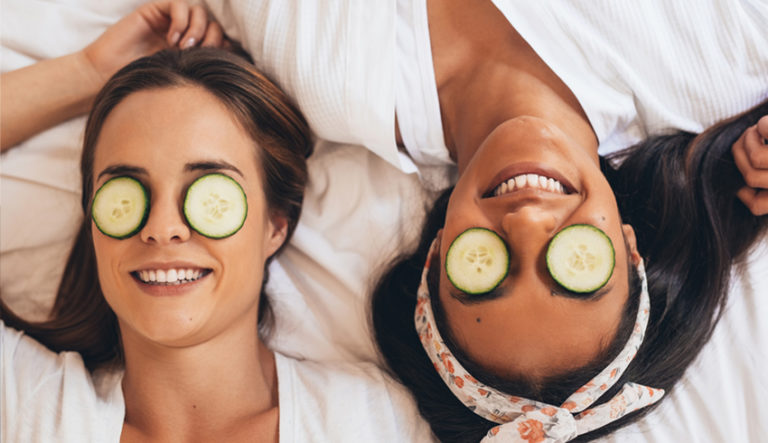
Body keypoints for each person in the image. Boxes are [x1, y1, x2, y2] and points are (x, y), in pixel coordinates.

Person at [0, 20, 433, 443]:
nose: (161, 228)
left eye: (210, 192)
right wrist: (87, 73)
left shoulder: (371, 421)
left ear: (275, 225)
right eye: (126, 193)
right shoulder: (23, 404)